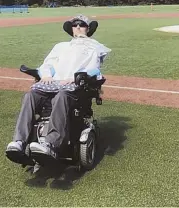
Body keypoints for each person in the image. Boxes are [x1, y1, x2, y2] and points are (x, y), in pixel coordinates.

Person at [6, 14, 111, 165]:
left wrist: (76, 77)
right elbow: (48, 64)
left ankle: (51, 144)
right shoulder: (61, 46)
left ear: (88, 29)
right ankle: (19, 141)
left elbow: (94, 69)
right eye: (75, 25)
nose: (78, 27)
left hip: (75, 86)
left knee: (61, 95)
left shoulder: (95, 47)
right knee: (31, 94)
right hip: (53, 83)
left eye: (82, 25)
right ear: (72, 29)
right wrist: (46, 75)